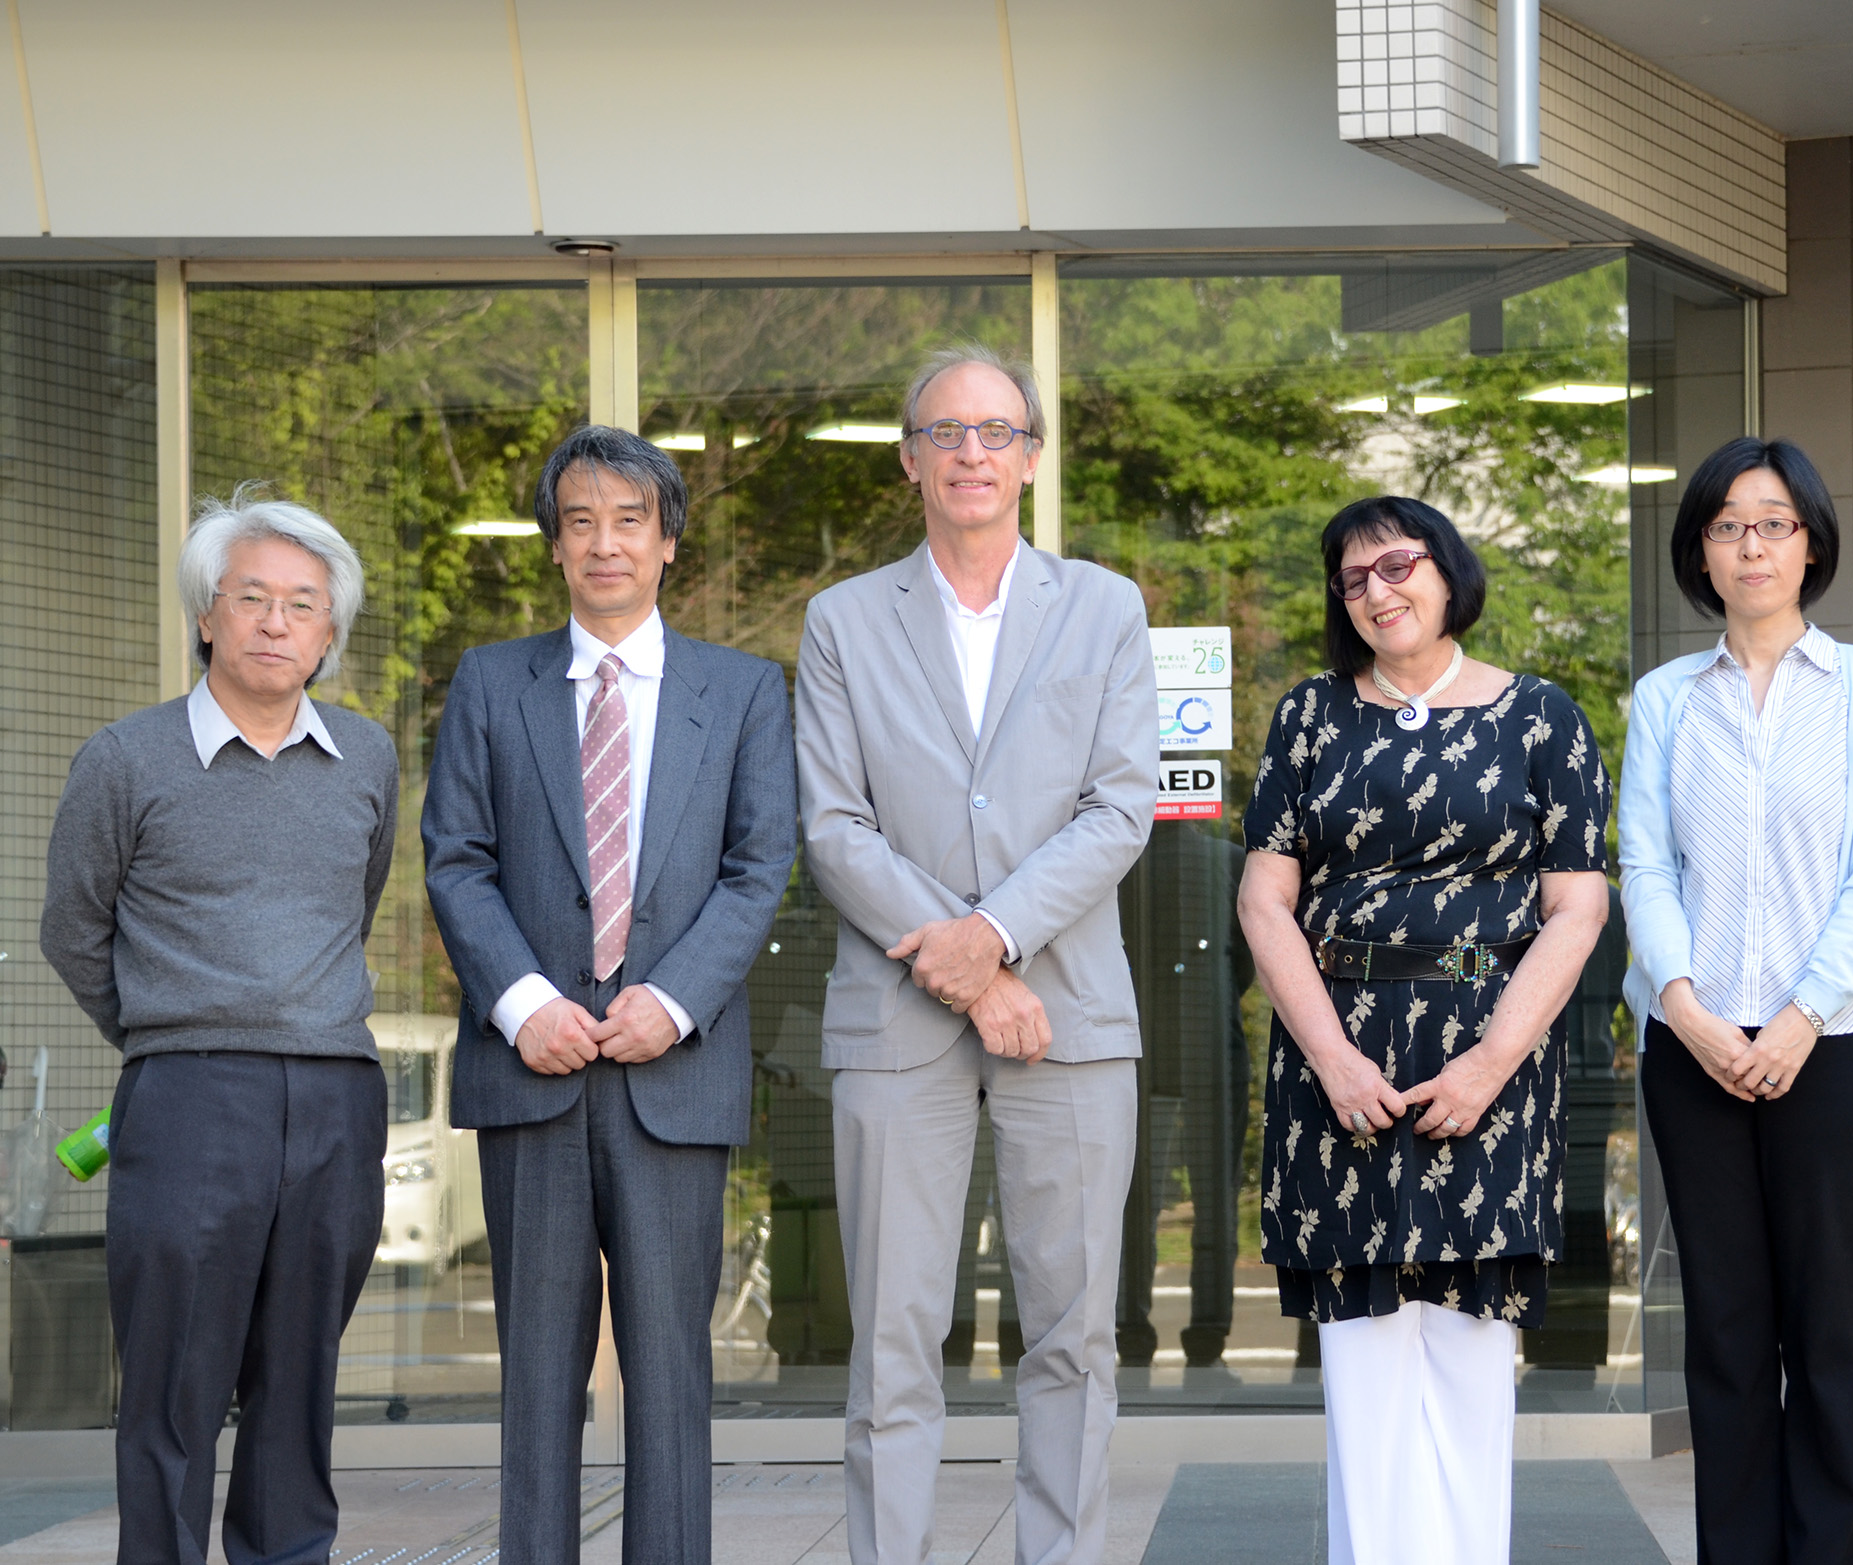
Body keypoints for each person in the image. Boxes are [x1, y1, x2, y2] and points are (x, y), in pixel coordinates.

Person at [795, 343, 1159, 1565]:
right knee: (893, 1342)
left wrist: (996, 939)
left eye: (996, 431)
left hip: (1069, 1019)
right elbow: (831, 822)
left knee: (1069, 1336)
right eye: (945, 432)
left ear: (1032, 459)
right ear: (908, 459)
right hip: (897, 1026)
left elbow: (1119, 805)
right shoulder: (843, 618)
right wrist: (966, 969)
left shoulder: (1104, 606)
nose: (970, 453)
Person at [421, 425, 799, 1564]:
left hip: (669, 1072)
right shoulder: (493, 680)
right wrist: (524, 999)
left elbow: (759, 860)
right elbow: (456, 857)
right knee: (536, 1373)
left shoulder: (740, 690)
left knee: (671, 1370)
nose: (604, 542)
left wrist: (673, 998)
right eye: (579, 519)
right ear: (552, 544)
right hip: (528, 1069)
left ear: (668, 541)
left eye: (629, 519)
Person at [1238, 495, 1612, 1565]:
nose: (1377, 591)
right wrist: (1333, 1056)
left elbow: (1576, 909)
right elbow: (1265, 901)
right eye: (1352, 579)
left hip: (1487, 1049)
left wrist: (1491, 1061)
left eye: (1396, 565)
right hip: (1337, 1046)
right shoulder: (1309, 715)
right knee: (1361, 1365)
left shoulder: (1541, 716)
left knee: (1466, 1348)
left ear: (1447, 571)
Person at [42, 492, 398, 1565]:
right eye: (253, 599)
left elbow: (357, 902)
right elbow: (73, 928)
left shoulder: (369, 758)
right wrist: (171, 1030)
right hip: (190, 1099)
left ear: (330, 632)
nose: (277, 623)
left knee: (298, 1381)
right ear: (208, 615)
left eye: (304, 605)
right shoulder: (126, 758)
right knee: (174, 1383)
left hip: (337, 1095)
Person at [1618, 437, 1853, 1565]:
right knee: (1728, 1340)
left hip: (1831, 1048)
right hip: (1691, 1052)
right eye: (1727, 524)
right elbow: (1645, 867)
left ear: (1810, 541)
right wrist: (1689, 1010)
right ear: (1699, 549)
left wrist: (1796, 1016)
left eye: (1775, 521)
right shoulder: (1664, 698)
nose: (1752, 543)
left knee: (1829, 1336)